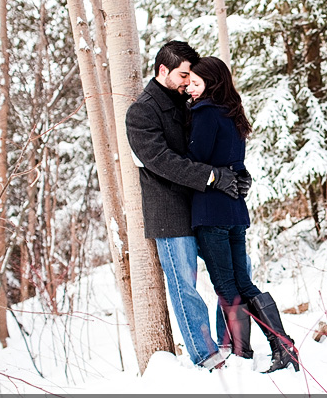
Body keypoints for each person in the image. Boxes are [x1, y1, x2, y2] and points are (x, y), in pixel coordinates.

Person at [125, 41, 250, 370]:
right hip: (170, 211)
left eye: (190, 76)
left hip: (207, 208)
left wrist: (238, 174)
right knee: (185, 284)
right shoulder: (141, 113)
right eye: (183, 75)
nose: (187, 81)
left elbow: (216, 144)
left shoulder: (190, 101)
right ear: (162, 70)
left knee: (238, 272)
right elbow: (162, 161)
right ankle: (207, 355)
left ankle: (231, 344)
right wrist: (213, 176)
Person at [186, 56, 299, 373]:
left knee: (226, 286)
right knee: (242, 283)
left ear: (211, 82)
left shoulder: (205, 114)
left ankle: (242, 354)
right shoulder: (232, 114)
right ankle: (283, 346)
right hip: (234, 210)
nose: (190, 90)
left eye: (196, 83)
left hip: (212, 212)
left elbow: (195, 160)